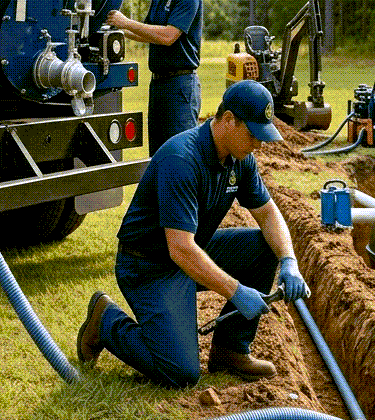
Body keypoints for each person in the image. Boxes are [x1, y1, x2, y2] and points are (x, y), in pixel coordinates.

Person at [75, 79, 310, 389]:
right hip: (149, 266)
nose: (259, 145)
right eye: (253, 135)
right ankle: (106, 321)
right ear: (228, 121)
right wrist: (236, 291)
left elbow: (267, 213)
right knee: (181, 372)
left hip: (188, 251)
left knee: (266, 248)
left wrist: (289, 260)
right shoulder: (182, 160)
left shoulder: (241, 160)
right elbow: (180, 250)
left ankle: (230, 351)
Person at [107, 0, 203, 156]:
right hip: (159, 86)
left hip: (180, 85)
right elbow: (147, 34)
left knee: (180, 154)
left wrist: (127, 22)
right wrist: (120, 29)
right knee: (158, 155)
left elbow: (168, 36)